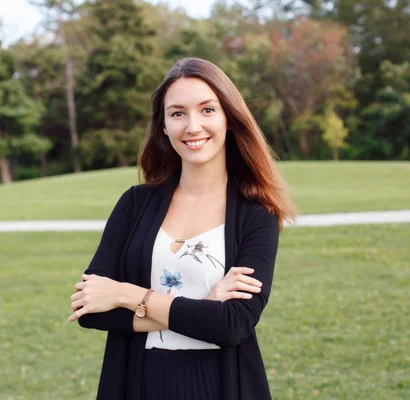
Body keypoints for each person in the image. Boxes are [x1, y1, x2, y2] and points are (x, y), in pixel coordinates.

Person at [67, 57, 296, 400]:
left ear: (229, 119)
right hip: (138, 382)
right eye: (177, 113)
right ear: (163, 125)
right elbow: (90, 309)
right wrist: (205, 304)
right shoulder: (135, 204)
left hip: (220, 385)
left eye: (207, 110)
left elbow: (233, 324)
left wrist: (127, 295)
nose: (192, 126)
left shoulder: (256, 214)